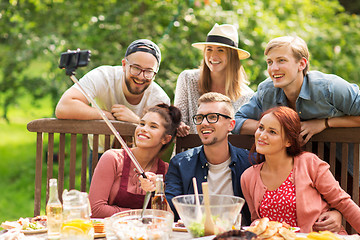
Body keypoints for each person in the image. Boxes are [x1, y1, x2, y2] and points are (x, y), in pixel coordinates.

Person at [55, 39, 170, 181]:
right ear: (124, 65)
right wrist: (108, 116)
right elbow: (64, 107)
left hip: (140, 159)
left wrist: (136, 121)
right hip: (101, 152)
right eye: (135, 68)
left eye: (148, 72)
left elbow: (162, 136)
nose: (141, 76)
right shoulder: (103, 76)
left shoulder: (159, 98)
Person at [240, 106, 360, 233]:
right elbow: (256, 219)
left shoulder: (310, 164)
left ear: (288, 141)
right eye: (261, 128)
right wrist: (256, 224)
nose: (262, 135)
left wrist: (336, 214)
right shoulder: (248, 177)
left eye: (272, 132)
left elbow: (343, 202)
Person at [233, 36, 360, 143]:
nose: (274, 68)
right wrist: (277, 129)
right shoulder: (266, 91)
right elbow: (237, 121)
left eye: (281, 60)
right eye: (270, 62)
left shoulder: (330, 88)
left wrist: (324, 123)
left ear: (302, 64)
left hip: (345, 167)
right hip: (291, 168)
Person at [165, 92, 253, 225]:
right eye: (200, 118)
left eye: (213, 117)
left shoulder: (250, 163)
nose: (204, 123)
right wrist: (157, 189)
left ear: (231, 124)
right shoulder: (180, 164)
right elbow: (170, 214)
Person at [88, 104, 181, 218]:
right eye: (142, 124)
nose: (143, 129)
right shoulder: (112, 159)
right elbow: (95, 209)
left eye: (153, 126)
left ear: (165, 139)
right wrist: (139, 216)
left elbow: (167, 216)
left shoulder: (165, 171)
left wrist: (158, 189)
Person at [174, 23, 254, 137]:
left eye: (220, 50)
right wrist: (178, 124)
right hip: (187, 152)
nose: (213, 56)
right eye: (209, 49)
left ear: (233, 57)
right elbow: (179, 118)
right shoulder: (188, 79)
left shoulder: (247, 96)